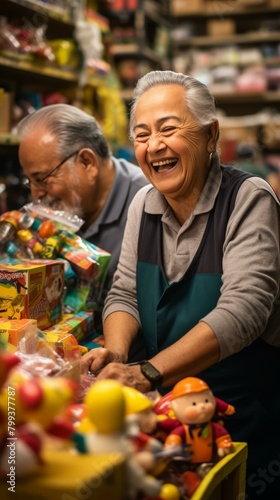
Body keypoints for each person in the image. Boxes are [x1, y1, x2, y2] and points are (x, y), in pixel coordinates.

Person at [82, 70, 280, 499]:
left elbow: (243, 311)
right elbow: (124, 292)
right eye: (141, 134)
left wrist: (149, 371)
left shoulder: (248, 198)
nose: (154, 146)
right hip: (172, 417)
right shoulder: (144, 204)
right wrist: (116, 354)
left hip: (246, 420)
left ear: (211, 136)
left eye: (169, 129)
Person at [17, 104, 149, 334]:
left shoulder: (150, 208)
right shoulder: (52, 211)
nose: (36, 194)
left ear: (87, 162)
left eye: (42, 179)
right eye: (30, 181)